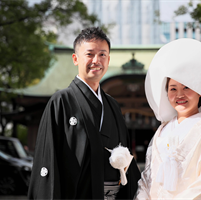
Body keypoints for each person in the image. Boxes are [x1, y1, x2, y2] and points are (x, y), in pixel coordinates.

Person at [28, 27, 141, 200]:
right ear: (75, 59)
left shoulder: (112, 105)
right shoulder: (61, 102)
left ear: (108, 59)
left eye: (102, 55)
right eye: (90, 54)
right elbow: (48, 161)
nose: (97, 60)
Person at [134, 38, 201, 199]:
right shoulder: (162, 132)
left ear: (199, 91)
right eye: (173, 88)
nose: (179, 95)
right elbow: (148, 178)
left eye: (186, 87)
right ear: (166, 94)